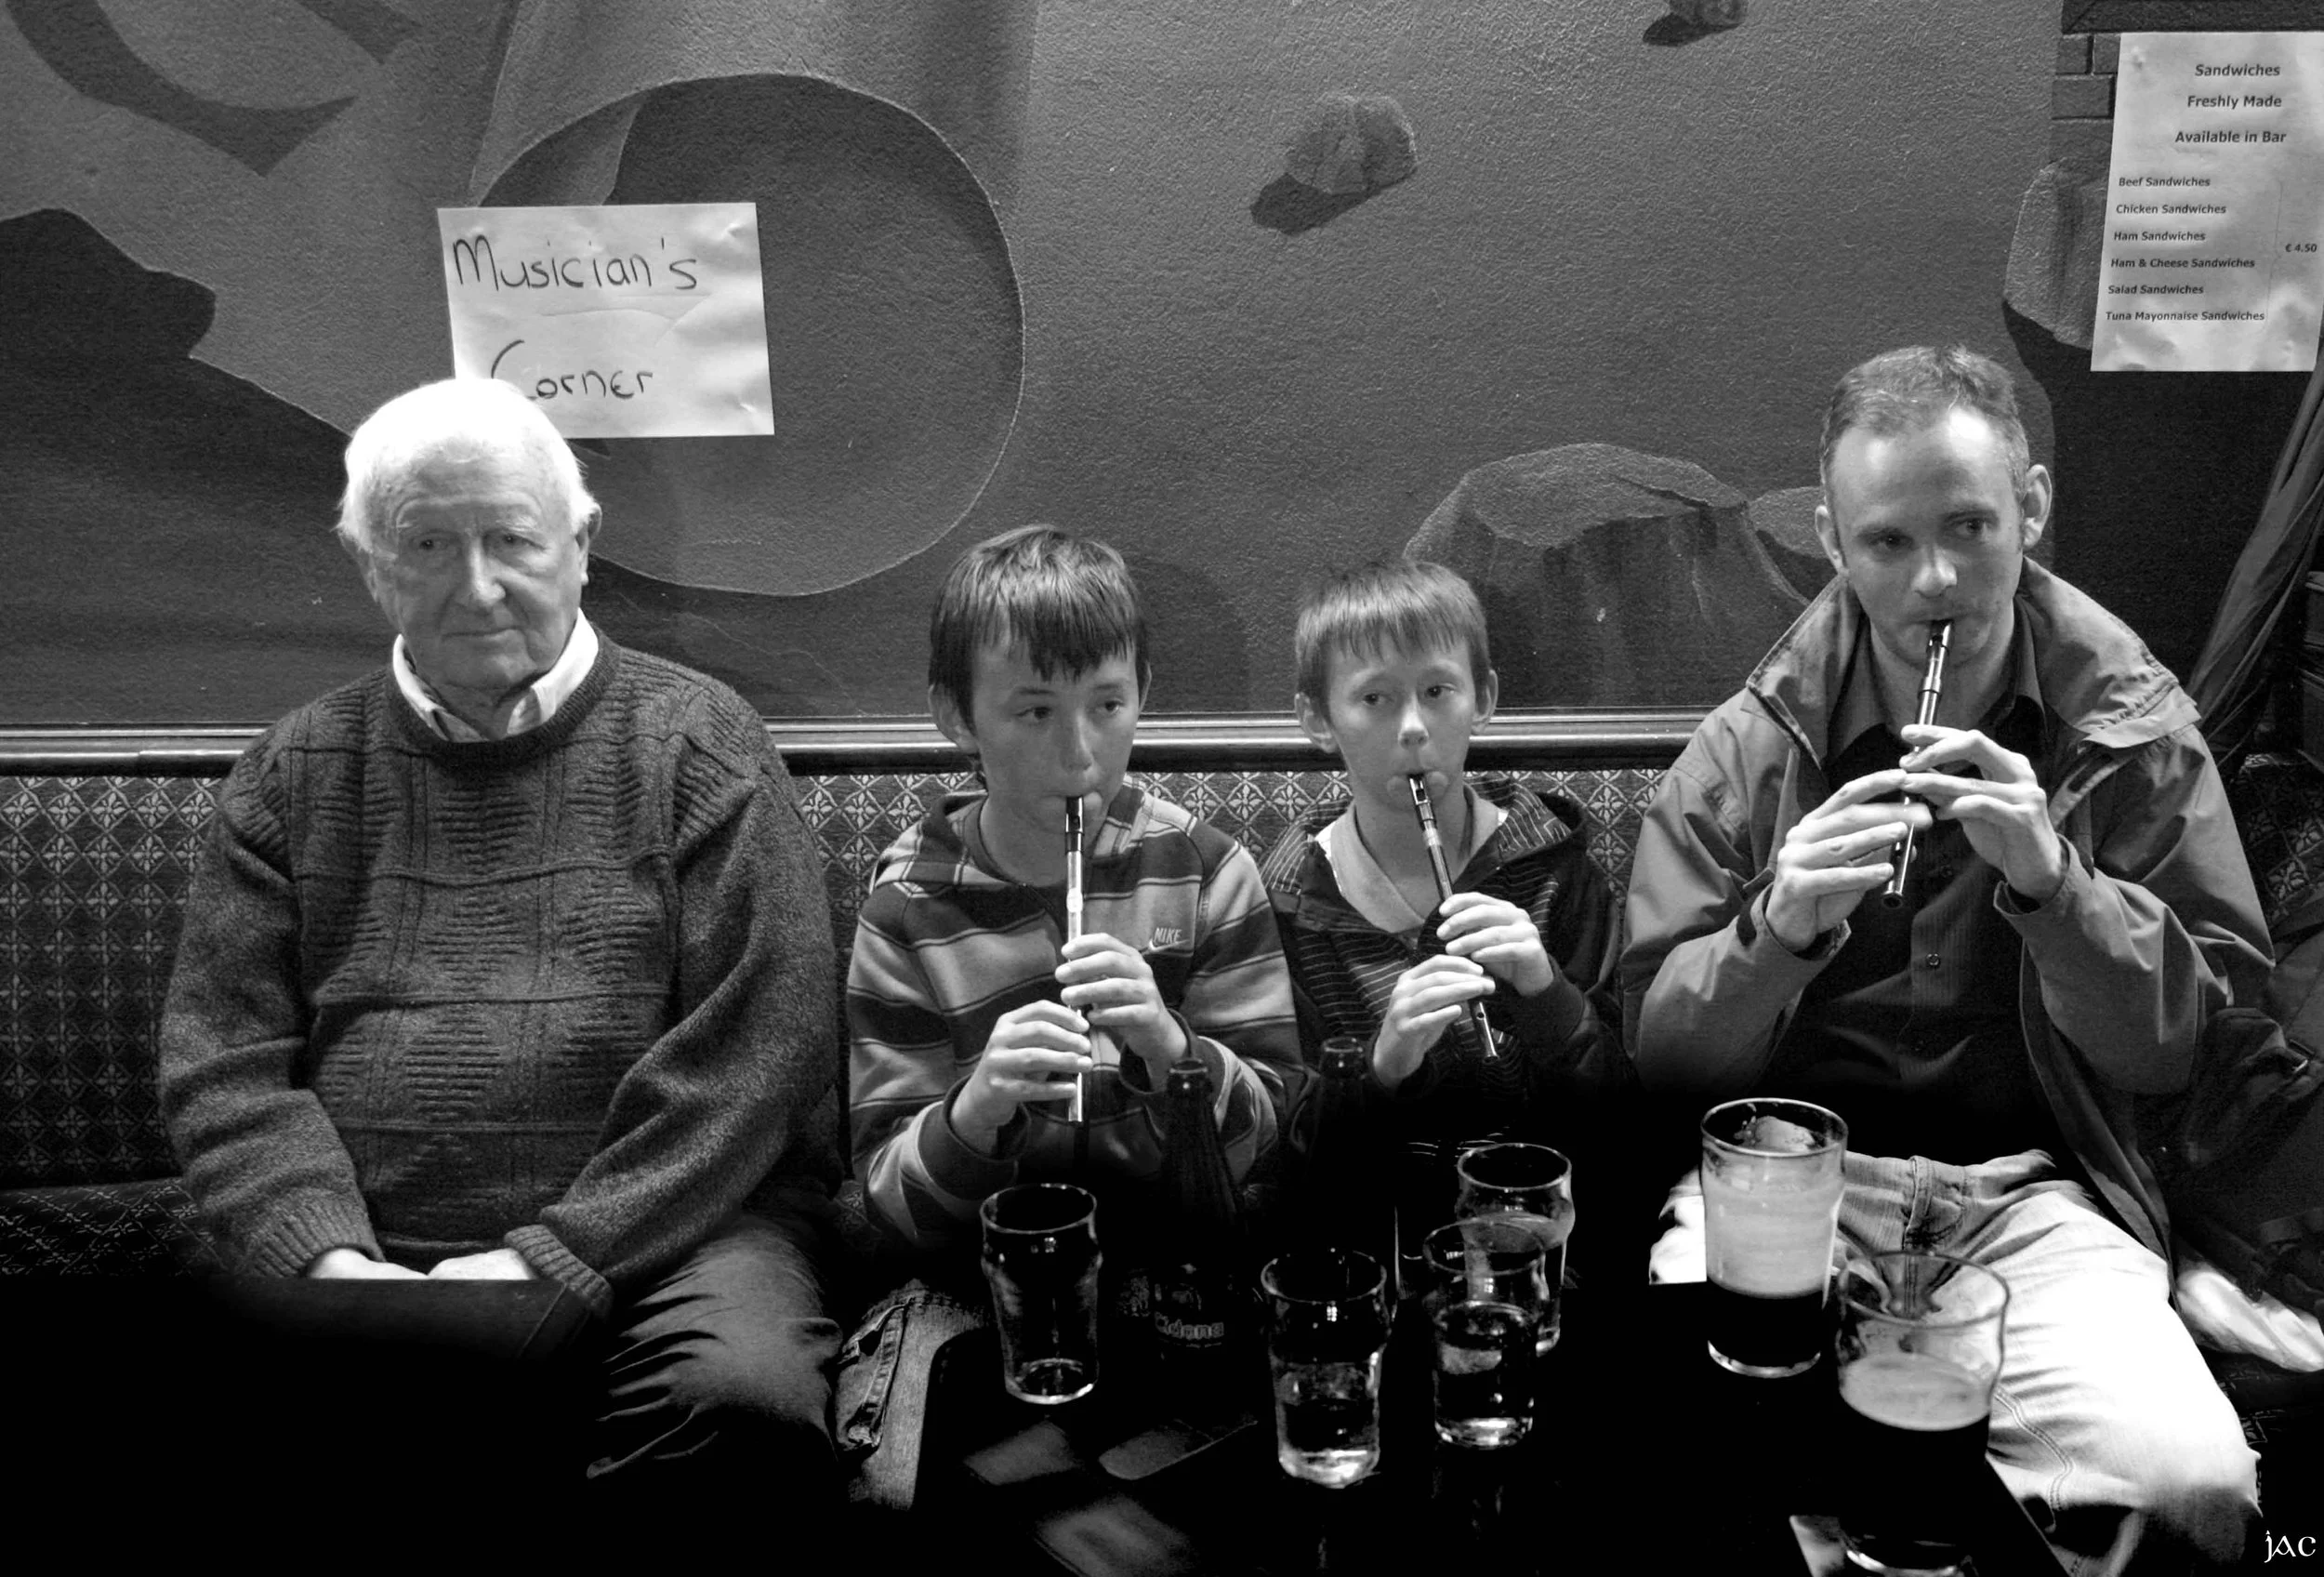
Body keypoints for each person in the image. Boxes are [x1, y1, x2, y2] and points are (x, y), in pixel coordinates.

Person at [1622, 346, 2267, 1571]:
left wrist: (2053, 884)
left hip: (2041, 1197)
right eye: (1887, 543)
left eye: (1970, 525)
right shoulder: (1748, 747)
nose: (1936, 581)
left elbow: (2186, 1050)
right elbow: (1659, 1062)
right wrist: (1776, 935)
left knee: (2193, 1486)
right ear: (1831, 540)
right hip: (1790, 1184)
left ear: (2030, 505)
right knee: (1675, 1437)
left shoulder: (2135, 733)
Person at [157, 378, 843, 1515]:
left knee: (743, 1399)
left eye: (511, 539)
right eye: (427, 542)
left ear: (580, 544)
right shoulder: (291, 772)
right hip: (361, 1250)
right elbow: (223, 1065)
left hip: (666, 1239)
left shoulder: (700, 743)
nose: (477, 586)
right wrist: (333, 1264)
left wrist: (553, 1256)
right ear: (372, 564)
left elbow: (761, 1047)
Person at [838, 525, 1300, 1506]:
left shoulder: (1208, 871)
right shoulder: (908, 911)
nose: (1080, 754)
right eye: (1034, 712)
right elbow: (881, 1210)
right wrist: (973, 1117)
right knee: (907, 1491)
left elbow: (1273, 1143)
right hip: (976, 1289)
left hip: (1177, 1273)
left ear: (1143, 696)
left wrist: (1171, 1052)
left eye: (1107, 706)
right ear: (954, 717)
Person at [1258, 559, 1632, 1244]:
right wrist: (1382, 1067)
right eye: (1374, 699)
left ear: (1482, 698)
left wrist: (1546, 992)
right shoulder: (1287, 902)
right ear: (1317, 718)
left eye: (1438, 691)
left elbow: (1623, 1121)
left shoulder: (1556, 871)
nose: (1412, 726)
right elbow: (1295, 1162)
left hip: (1550, 1239)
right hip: (1379, 1246)